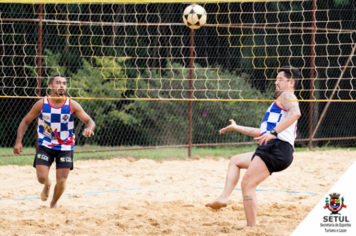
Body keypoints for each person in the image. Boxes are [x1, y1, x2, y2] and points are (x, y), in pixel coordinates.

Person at [205, 66, 301, 226]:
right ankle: (224, 197)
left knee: (247, 184)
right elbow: (262, 132)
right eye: (276, 79)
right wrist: (237, 127)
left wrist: (274, 132)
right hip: (276, 147)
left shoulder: (287, 95)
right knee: (235, 161)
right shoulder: (279, 103)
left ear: (291, 82)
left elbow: (296, 113)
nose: (276, 82)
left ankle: (252, 228)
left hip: (276, 147)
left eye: (280, 79)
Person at [13, 75, 95, 208]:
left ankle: (54, 202)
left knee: (62, 180)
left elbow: (90, 121)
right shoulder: (42, 103)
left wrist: (89, 128)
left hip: (65, 146)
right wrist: (18, 141)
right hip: (46, 144)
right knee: (41, 178)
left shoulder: (71, 104)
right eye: (58, 83)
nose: (62, 85)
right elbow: (25, 121)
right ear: (50, 86)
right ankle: (47, 184)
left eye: (64, 83)